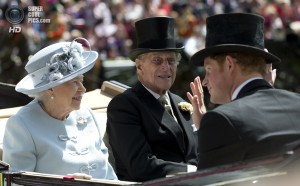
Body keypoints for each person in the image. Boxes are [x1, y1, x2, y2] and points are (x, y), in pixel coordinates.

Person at [187, 13, 300, 170]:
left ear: (229, 65)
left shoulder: (221, 120)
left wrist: (204, 130)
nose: (205, 81)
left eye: (208, 69)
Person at [3, 38, 117, 180]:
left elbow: (109, 176)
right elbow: (16, 183)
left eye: (81, 80)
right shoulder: (21, 125)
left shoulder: (87, 114)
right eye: (74, 82)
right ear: (50, 88)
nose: (83, 89)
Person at [105, 16, 198, 182]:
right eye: (157, 60)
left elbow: (195, 153)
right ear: (139, 66)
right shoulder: (124, 106)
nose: (166, 66)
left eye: (171, 60)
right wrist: (194, 171)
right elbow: (141, 166)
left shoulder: (181, 103)